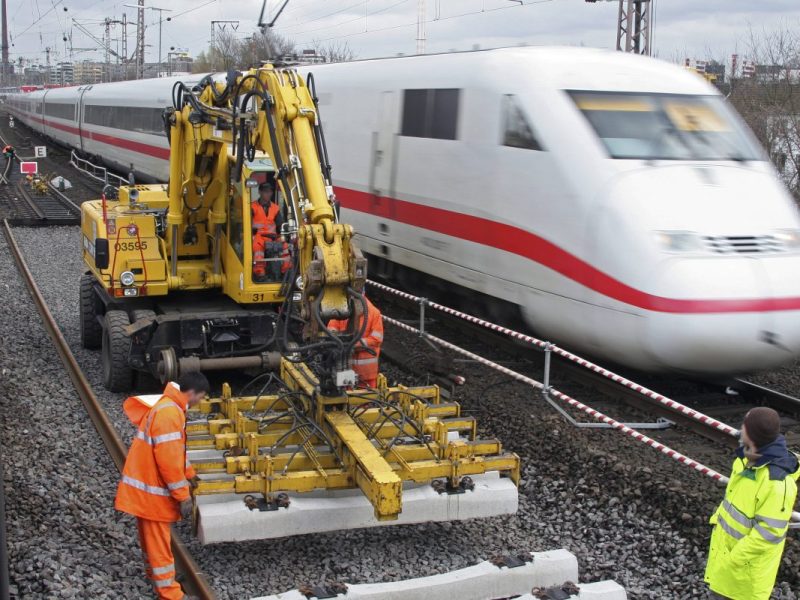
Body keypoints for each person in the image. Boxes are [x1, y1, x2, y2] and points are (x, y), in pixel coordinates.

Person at [115, 372, 210, 600]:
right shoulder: (170, 413)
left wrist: (190, 474)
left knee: (152, 542)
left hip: (147, 491)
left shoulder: (168, 407)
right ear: (191, 393)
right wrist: (182, 495)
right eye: (201, 397)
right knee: (159, 546)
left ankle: (157, 579)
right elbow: (168, 461)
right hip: (152, 495)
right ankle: (170, 594)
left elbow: (175, 453)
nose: (201, 402)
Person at [704, 406, 799, 600]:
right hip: (726, 562)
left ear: (752, 434)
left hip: (743, 575)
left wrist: (733, 559)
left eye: (744, 425)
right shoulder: (745, 461)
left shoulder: (776, 483)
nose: (740, 429)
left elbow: (769, 533)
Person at [328, 295, 384, 387]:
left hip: (366, 374)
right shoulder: (342, 310)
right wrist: (335, 338)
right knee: (346, 397)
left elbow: (377, 340)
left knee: (366, 398)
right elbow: (331, 328)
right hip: (345, 370)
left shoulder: (374, 313)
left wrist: (354, 344)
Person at [251, 181, 288, 282]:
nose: (268, 194)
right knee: (258, 246)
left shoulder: (275, 208)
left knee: (285, 245)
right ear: (260, 192)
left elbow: (280, 224)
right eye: (265, 192)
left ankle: (286, 271)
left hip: (272, 236)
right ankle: (260, 273)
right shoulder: (252, 207)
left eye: (270, 192)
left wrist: (282, 235)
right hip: (257, 235)